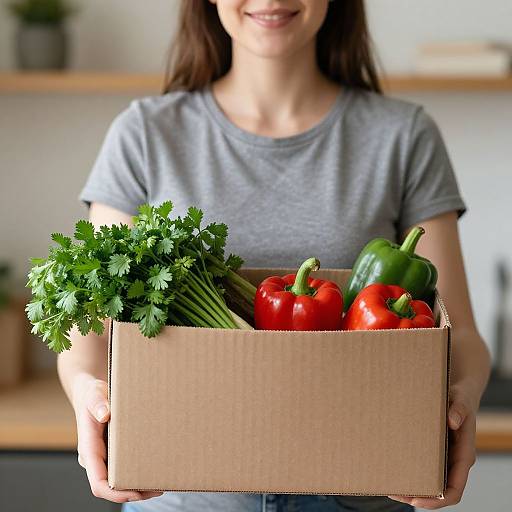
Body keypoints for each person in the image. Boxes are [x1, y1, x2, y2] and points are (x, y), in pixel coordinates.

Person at [57, 1, 491, 511]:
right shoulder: (144, 134)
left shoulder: (403, 137)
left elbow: (456, 332)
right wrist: (89, 394)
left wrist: (460, 398)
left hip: (359, 487)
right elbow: (93, 324)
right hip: (183, 493)